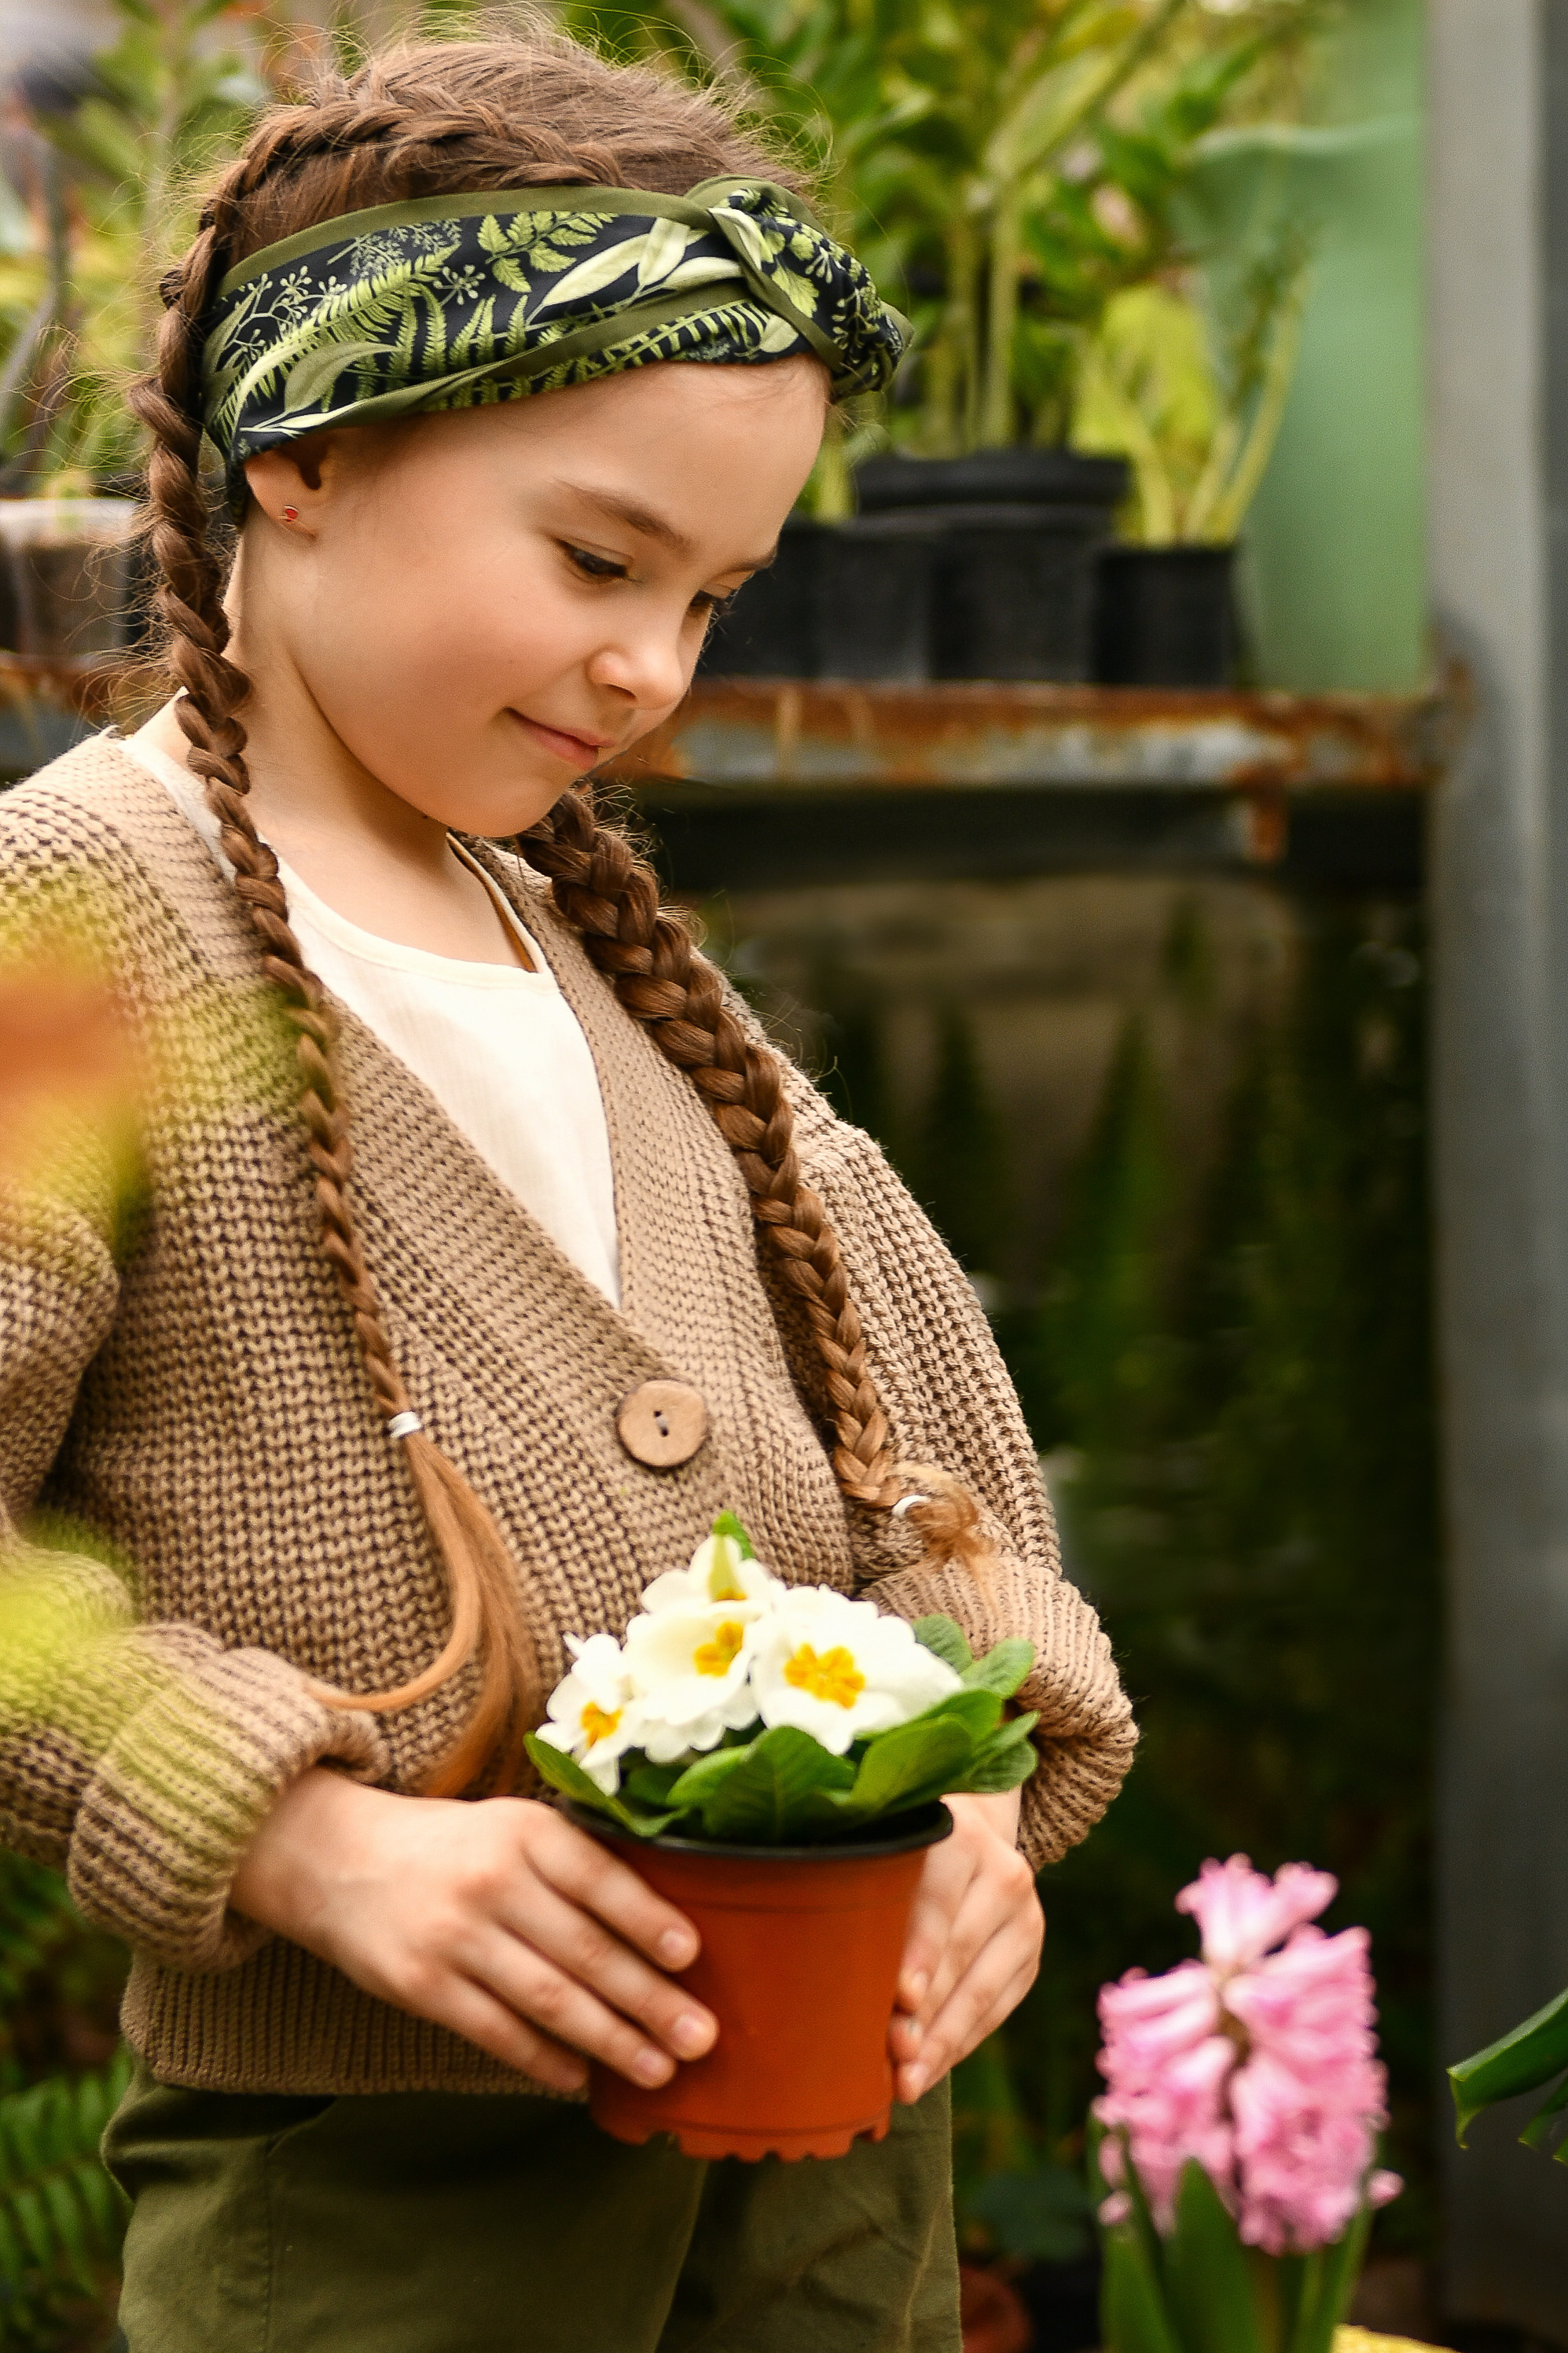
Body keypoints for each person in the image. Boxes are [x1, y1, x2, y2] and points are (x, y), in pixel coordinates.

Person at [0, 23, 1136, 2351]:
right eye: (598, 557)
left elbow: (934, 1479)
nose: (647, 668)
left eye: (712, 599)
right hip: (390, 2196)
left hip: (834, 2171)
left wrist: (970, 1799)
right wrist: (304, 1835)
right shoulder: (72, 932)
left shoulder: (619, 964)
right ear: (304, 454)